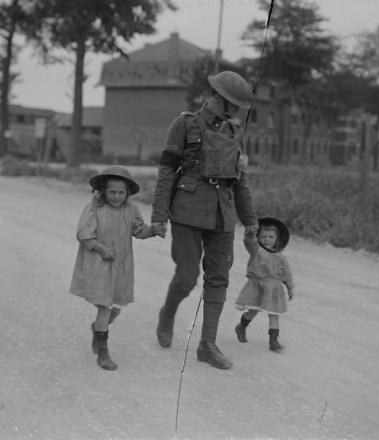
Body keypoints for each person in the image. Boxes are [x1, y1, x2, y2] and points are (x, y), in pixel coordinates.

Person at [151, 70, 259, 370]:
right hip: (187, 210)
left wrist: (250, 219)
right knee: (187, 276)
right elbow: (166, 172)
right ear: (218, 99)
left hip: (222, 214)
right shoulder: (184, 124)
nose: (236, 111)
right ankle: (168, 313)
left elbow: (240, 180)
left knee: (219, 279)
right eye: (233, 104)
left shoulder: (234, 132)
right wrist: (159, 216)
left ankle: (207, 345)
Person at [70, 166, 159, 371]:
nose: (117, 196)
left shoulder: (130, 210)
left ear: (128, 193)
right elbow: (84, 234)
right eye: (112, 192)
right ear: (103, 190)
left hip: (121, 266)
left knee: (116, 309)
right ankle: (103, 352)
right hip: (100, 265)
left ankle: (97, 329)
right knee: (105, 307)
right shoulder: (94, 208)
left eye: (121, 192)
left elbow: (139, 231)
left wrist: (153, 230)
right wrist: (100, 248)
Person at [234, 217, 294, 353]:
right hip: (257, 287)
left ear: (277, 239)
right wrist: (250, 234)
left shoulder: (281, 258)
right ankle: (241, 327)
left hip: (274, 289)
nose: (267, 240)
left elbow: (287, 274)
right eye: (263, 237)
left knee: (274, 314)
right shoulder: (256, 251)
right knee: (253, 311)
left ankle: (273, 341)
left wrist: (290, 288)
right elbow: (249, 243)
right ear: (259, 238)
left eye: (271, 237)